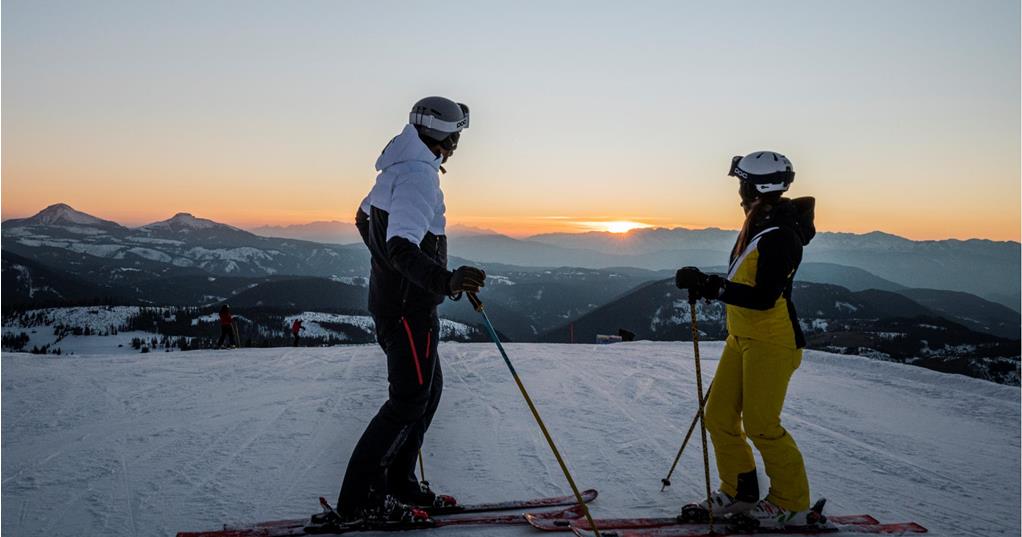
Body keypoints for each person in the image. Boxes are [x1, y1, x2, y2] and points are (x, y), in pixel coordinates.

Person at [337, 96, 486, 523]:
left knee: (426, 392)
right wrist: (445, 281)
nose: (459, 140)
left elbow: (362, 218)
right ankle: (362, 499)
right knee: (408, 401)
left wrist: (391, 268)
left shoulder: (398, 167)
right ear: (446, 136)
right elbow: (400, 244)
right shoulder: (418, 177)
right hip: (408, 312)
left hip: (399, 305)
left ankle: (399, 483)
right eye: (457, 132)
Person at [674, 151, 816, 529]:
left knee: (761, 424)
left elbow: (764, 296)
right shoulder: (760, 223)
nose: (739, 190)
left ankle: (793, 503)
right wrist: (711, 286)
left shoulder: (780, 235)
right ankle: (740, 491)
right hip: (742, 336)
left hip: (771, 341)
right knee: (719, 415)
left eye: (742, 183)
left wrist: (710, 285)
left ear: (756, 186)